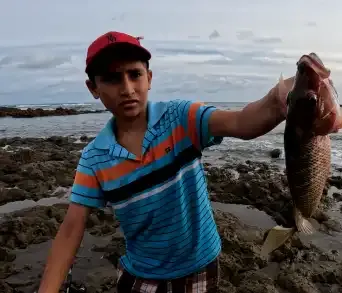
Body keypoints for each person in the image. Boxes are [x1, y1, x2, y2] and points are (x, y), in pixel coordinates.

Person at [37, 31, 291, 293]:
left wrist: (291, 91)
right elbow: (70, 229)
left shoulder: (181, 118)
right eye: (112, 79)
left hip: (200, 265)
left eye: (134, 74)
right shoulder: (94, 158)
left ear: (149, 78)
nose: (127, 89)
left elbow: (243, 122)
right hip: (141, 274)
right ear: (93, 88)